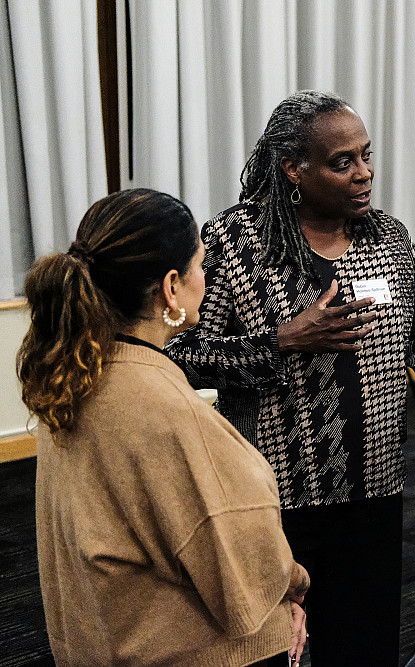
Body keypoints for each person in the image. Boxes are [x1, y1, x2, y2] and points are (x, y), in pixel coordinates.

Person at [164, 90, 415, 665]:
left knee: (364, 647)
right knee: (268, 651)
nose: (364, 174)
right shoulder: (234, 242)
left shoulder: (388, 237)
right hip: (270, 497)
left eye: (366, 156)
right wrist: (285, 340)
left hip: (373, 490)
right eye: (342, 162)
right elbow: (181, 353)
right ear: (293, 169)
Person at [18, 189, 309, 667]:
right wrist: (294, 585)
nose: (205, 276)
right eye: (199, 264)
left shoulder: (74, 375)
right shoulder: (163, 408)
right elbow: (239, 558)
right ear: (170, 287)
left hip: (101, 641)